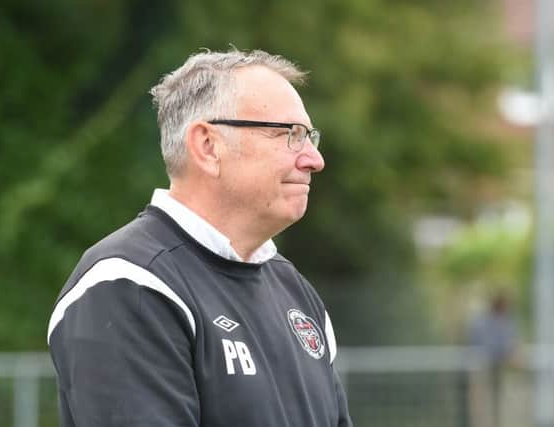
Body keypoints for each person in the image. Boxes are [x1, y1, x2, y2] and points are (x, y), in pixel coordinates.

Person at [47, 49, 353, 427]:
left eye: (310, 137)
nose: (313, 159)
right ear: (208, 146)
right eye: (287, 134)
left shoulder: (296, 293)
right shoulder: (129, 285)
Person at [467, 292, 517, 427]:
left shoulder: (507, 321)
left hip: (500, 369)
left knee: (502, 407)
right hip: (483, 369)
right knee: (482, 410)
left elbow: (510, 345)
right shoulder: (482, 321)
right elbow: (486, 344)